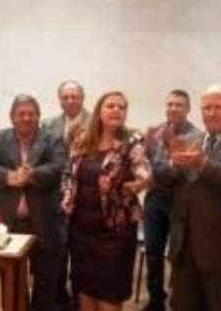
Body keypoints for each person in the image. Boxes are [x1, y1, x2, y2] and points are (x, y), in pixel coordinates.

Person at [157, 85, 221, 311]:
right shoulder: (188, 140)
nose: (211, 113)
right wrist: (173, 164)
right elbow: (161, 177)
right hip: (184, 245)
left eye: (218, 107)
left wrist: (203, 165)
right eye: (206, 108)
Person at [62, 91, 151, 311]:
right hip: (81, 230)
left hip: (115, 232)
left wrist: (138, 183)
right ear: (99, 111)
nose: (116, 110)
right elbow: (69, 174)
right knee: (84, 290)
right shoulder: (82, 139)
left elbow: (143, 171)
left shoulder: (132, 141)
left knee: (109, 296)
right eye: (111, 106)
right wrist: (66, 196)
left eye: (122, 107)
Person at [0, 94, 67, 311]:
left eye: (31, 113)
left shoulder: (54, 139)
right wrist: (9, 176)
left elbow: (58, 167)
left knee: (46, 283)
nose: (26, 118)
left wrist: (30, 175)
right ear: (12, 117)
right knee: (12, 284)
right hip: (9, 223)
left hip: (45, 222)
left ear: (39, 116)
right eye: (21, 114)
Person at [141, 89, 199, 311]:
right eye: (170, 104)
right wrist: (161, 170)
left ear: (188, 109)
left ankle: (179, 300)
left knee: (179, 254)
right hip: (155, 199)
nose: (173, 108)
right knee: (152, 252)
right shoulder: (153, 132)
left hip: (180, 200)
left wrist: (161, 169)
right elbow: (144, 166)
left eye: (179, 105)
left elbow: (176, 173)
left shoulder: (196, 136)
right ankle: (156, 300)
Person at [41, 80, 90, 310]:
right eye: (65, 97)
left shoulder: (96, 122)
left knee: (81, 250)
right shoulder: (47, 124)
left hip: (86, 196)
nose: (70, 100)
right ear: (59, 99)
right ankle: (59, 298)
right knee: (57, 248)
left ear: (82, 98)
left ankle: (80, 298)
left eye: (74, 96)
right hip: (54, 194)